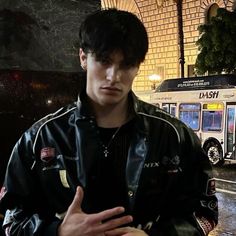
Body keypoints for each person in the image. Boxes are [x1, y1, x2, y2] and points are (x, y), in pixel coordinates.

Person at [0, 8, 218, 236]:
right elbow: (11, 220)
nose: (114, 76)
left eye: (126, 64)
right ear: (83, 57)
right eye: (104, 61)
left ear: (138, 66)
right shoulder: (41, 138)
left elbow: (205, 212)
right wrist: (59, 231)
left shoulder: (173, 135)